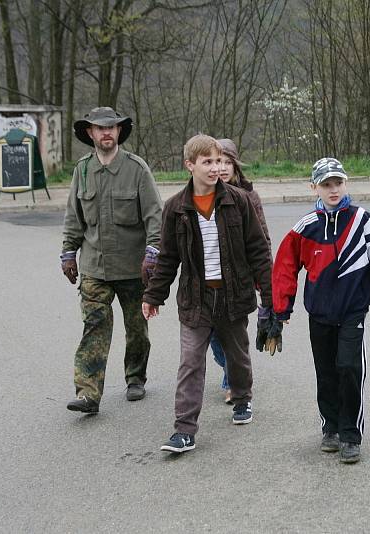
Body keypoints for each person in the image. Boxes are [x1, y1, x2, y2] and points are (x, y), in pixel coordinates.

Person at [142, 135, 277, 453]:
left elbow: (258, 250)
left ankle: (242, 398)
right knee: (190, 362)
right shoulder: (175, 208)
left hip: (233, 296)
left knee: (238, 356)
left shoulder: (238, 201)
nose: (216, 168)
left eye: (219, 161)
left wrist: (271, 297)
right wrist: (153, 296)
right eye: (208, 162)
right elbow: (168, 258)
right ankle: (184, 429)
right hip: (196, 299)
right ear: (190, 165)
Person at [272, 157, 370, 464]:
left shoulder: (363, 221)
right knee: (326, 373)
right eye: (326, 184)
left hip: (352, 312)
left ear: (346, 183)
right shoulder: (306, 227)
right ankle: (330, 428)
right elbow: (285, 266)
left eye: (338, 183)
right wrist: (281, 309)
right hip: (319, 314)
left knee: (349, 368)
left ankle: (351, 434)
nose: (333, 189)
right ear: (313, 187)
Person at [61, 106, 162, 414]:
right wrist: (68, 252)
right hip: (94, 267)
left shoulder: (136, 168)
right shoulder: (83, 170)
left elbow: (154, 216)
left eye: (112, 128)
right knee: (94, 326)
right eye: (99, 128)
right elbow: (73, 217)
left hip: (133, 266)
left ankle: (135, 377)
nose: (106, 132)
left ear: (119, 132)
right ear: (90, 133)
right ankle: (89, 393)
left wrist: (153, 253)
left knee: (136, 327)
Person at [207, 138, 271, 405]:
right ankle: (230, 370)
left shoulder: (248, 197)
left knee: (234, 335)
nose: (221, 168)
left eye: (226, 162)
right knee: (211, 335)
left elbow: (262, 239)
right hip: (209, 280)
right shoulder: (201, 194)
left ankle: (236, 381)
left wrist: (263, 278)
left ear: (235, 166)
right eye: (216, 161)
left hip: (239, 279)